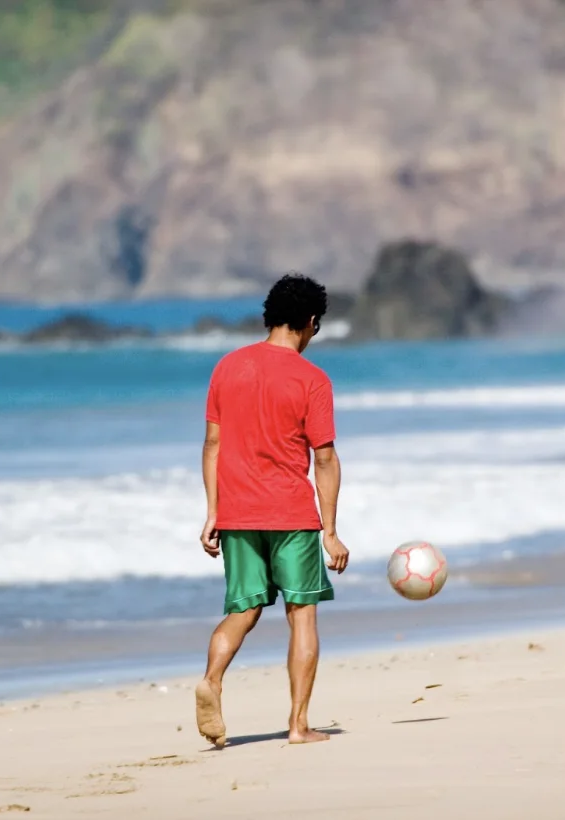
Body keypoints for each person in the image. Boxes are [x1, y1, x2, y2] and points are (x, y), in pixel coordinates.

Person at [195, 273, 350, 748]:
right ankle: (299, 726)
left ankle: (212, 680)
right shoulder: (312, 379)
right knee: (301, 615)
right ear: (309, 322)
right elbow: (323, 457)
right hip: (290, 514)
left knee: (243, 609)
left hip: (237, 513)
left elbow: (213, 443)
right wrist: (331, 531)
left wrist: (212, 513)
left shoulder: (227, 367)